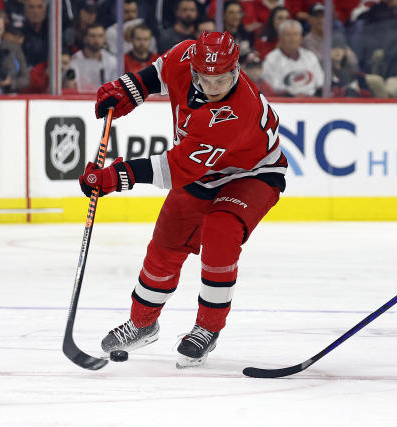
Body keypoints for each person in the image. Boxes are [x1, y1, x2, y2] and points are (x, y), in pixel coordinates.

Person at [79, 31, 288, 368]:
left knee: (221, 230)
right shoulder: (182, 56)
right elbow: (155, 75)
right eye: (206, 79)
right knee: (166, 244)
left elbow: (175, 169)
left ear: (236, 69)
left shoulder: (236, 112)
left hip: (252, 173)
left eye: (223, 78)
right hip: (202, 172)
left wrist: (116, 177)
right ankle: (142, 323)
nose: (215, 86)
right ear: (193, 68)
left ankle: (207, 329)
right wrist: (126, 91)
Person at [261, 19, 324, 97]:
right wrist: (293, 97)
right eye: (288, 35)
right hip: (283, 104)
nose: (292, 38)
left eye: (295, 34)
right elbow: (271, 88)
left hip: (310, 102)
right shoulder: (271, 59)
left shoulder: (310, 57)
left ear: (301, 37)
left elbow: (320, 84)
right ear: (280, 37)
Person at [69, 23, 118, 92]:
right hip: (80, 100)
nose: (96, 40)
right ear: (85, 38)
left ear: (104, 38)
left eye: (100, 36)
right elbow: (70, 85)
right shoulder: (74, 60)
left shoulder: (112, 61)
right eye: (92, 36)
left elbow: (115, 88)